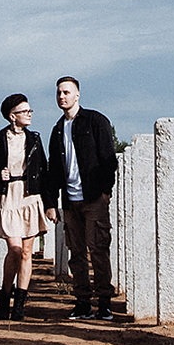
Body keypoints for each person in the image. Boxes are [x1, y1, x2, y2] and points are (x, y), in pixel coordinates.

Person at [47, 76, 120, 321]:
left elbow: (109, 158)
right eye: (59, 92)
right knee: (75, 253)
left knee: (98, 250)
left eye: (67, 92)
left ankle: (105, 303)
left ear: (77, 95)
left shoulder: (96, 121)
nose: (62, 96)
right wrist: (50, 203)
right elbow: (54, 170)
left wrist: (105, 191)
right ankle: (82, 303)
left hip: (93, 199)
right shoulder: (57, 130)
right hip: (70, 202)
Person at [0, 93, 48, 320]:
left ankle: (20, 303)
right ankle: (5, 292)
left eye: (30, 111)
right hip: (9, 197)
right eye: (24, 111)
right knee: (15, 250)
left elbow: (43, 171)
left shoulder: (35, 139)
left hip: (30, 196)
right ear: (12, 116)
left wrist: (49, 204)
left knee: (27, 252)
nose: (29, 115)